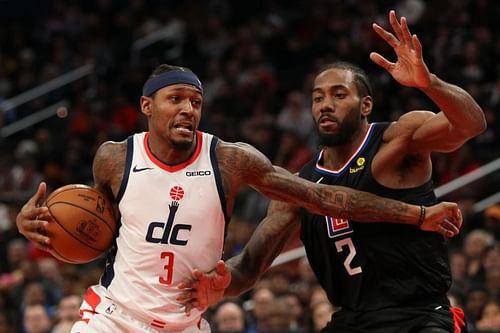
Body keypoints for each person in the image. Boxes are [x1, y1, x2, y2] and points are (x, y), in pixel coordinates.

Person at [17, 61, 462, 333]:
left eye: (196, 100)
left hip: (186, 323)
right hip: (113, 316)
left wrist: (416, 213)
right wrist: (37, 228)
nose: (189, 109)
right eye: (176, 99)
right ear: (148, 106)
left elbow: (328, 199)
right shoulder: (113, 159)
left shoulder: (232, 160)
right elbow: (88, 227)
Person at [177, 10, 486, 333]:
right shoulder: (299, 186)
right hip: (352, 320)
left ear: (365, 105)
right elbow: (250, 265)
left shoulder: (397, 141)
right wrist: (220, 282)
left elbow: (471, 124)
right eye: (317, 98)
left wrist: (430, 83)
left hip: (419, 316)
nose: (325, 104)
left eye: (339, 95)